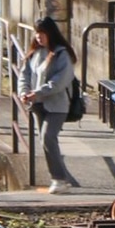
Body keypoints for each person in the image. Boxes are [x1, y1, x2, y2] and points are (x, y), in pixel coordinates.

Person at [19, 16, 80, 193]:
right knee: (45, 141)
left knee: (48, 137)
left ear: (50, 33)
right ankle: (59, 178)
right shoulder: (34, 54)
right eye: (37, 33)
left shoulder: (62, 54)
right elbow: (25, 75)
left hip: (58, 105)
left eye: (42, 33)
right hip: (38, 105)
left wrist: (37, 93)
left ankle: (60, 179)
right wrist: (24, 92)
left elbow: (60, 81)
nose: (38, 37)